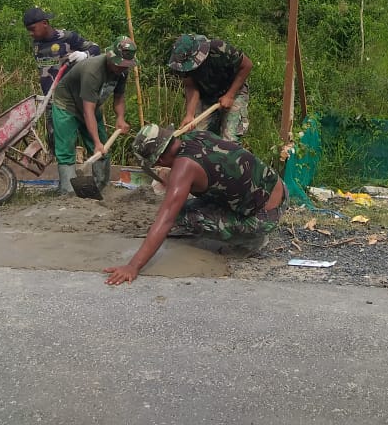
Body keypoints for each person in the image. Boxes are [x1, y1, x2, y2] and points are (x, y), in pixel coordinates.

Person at [103, 124, 286, 285]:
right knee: (190, 201)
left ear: (159, 160)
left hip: (264, 216)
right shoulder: (197, 136)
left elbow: (166, 219)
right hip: (277, 190)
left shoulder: (184, 168)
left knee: (184, 216)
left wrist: (133, 266)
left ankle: (251, 239)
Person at [49, 35, 136, 195]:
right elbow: (87, 111)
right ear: (110, 57)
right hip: (67, 104)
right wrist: (96, 143)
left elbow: (119, 97)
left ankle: (101, 187)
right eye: (119, 64)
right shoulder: (93, 71)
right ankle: (68, 191)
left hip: (91, 104)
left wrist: (120, 118)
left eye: (125, 65)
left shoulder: (122, 71)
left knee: (103, 147)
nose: (121, 68)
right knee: (67, 147)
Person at [22, 6, 101, 161]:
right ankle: (59, 168)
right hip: (51, 99)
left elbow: (95, 48)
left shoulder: (67, 37)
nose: (31, 33)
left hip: (72, 99)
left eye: (32, 29)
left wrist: (84, 54)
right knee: (55, 140)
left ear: (45, 23)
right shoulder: (36, 43)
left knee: (89, 135)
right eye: (28, 30)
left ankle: (95, 162)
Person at [167, 33, 253, 141]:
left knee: (229, 138)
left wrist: (230, 95)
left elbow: (247, 65)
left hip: (233, 89)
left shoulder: (219, 48)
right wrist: (190, 115)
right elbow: (190, 86)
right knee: (197, 137)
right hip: (207, 95)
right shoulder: (182, 65)